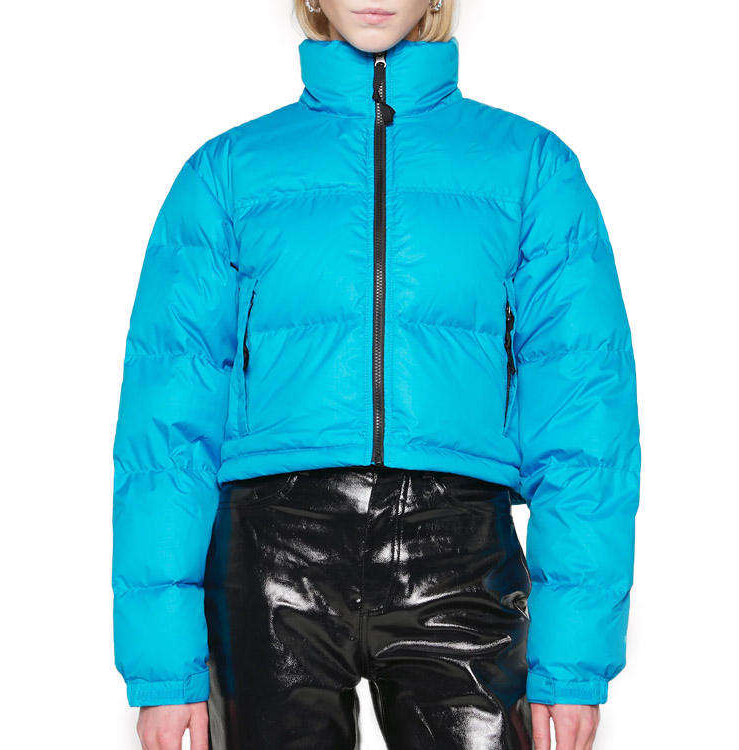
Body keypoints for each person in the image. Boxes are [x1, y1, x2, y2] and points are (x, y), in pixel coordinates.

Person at [113, 1, 640, 748]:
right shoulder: (227, 174)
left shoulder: (531, 169)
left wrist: (573, 662)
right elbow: (166, 434)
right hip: (271, 565)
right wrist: (165, 669)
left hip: (462, 556)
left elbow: (586, 422)